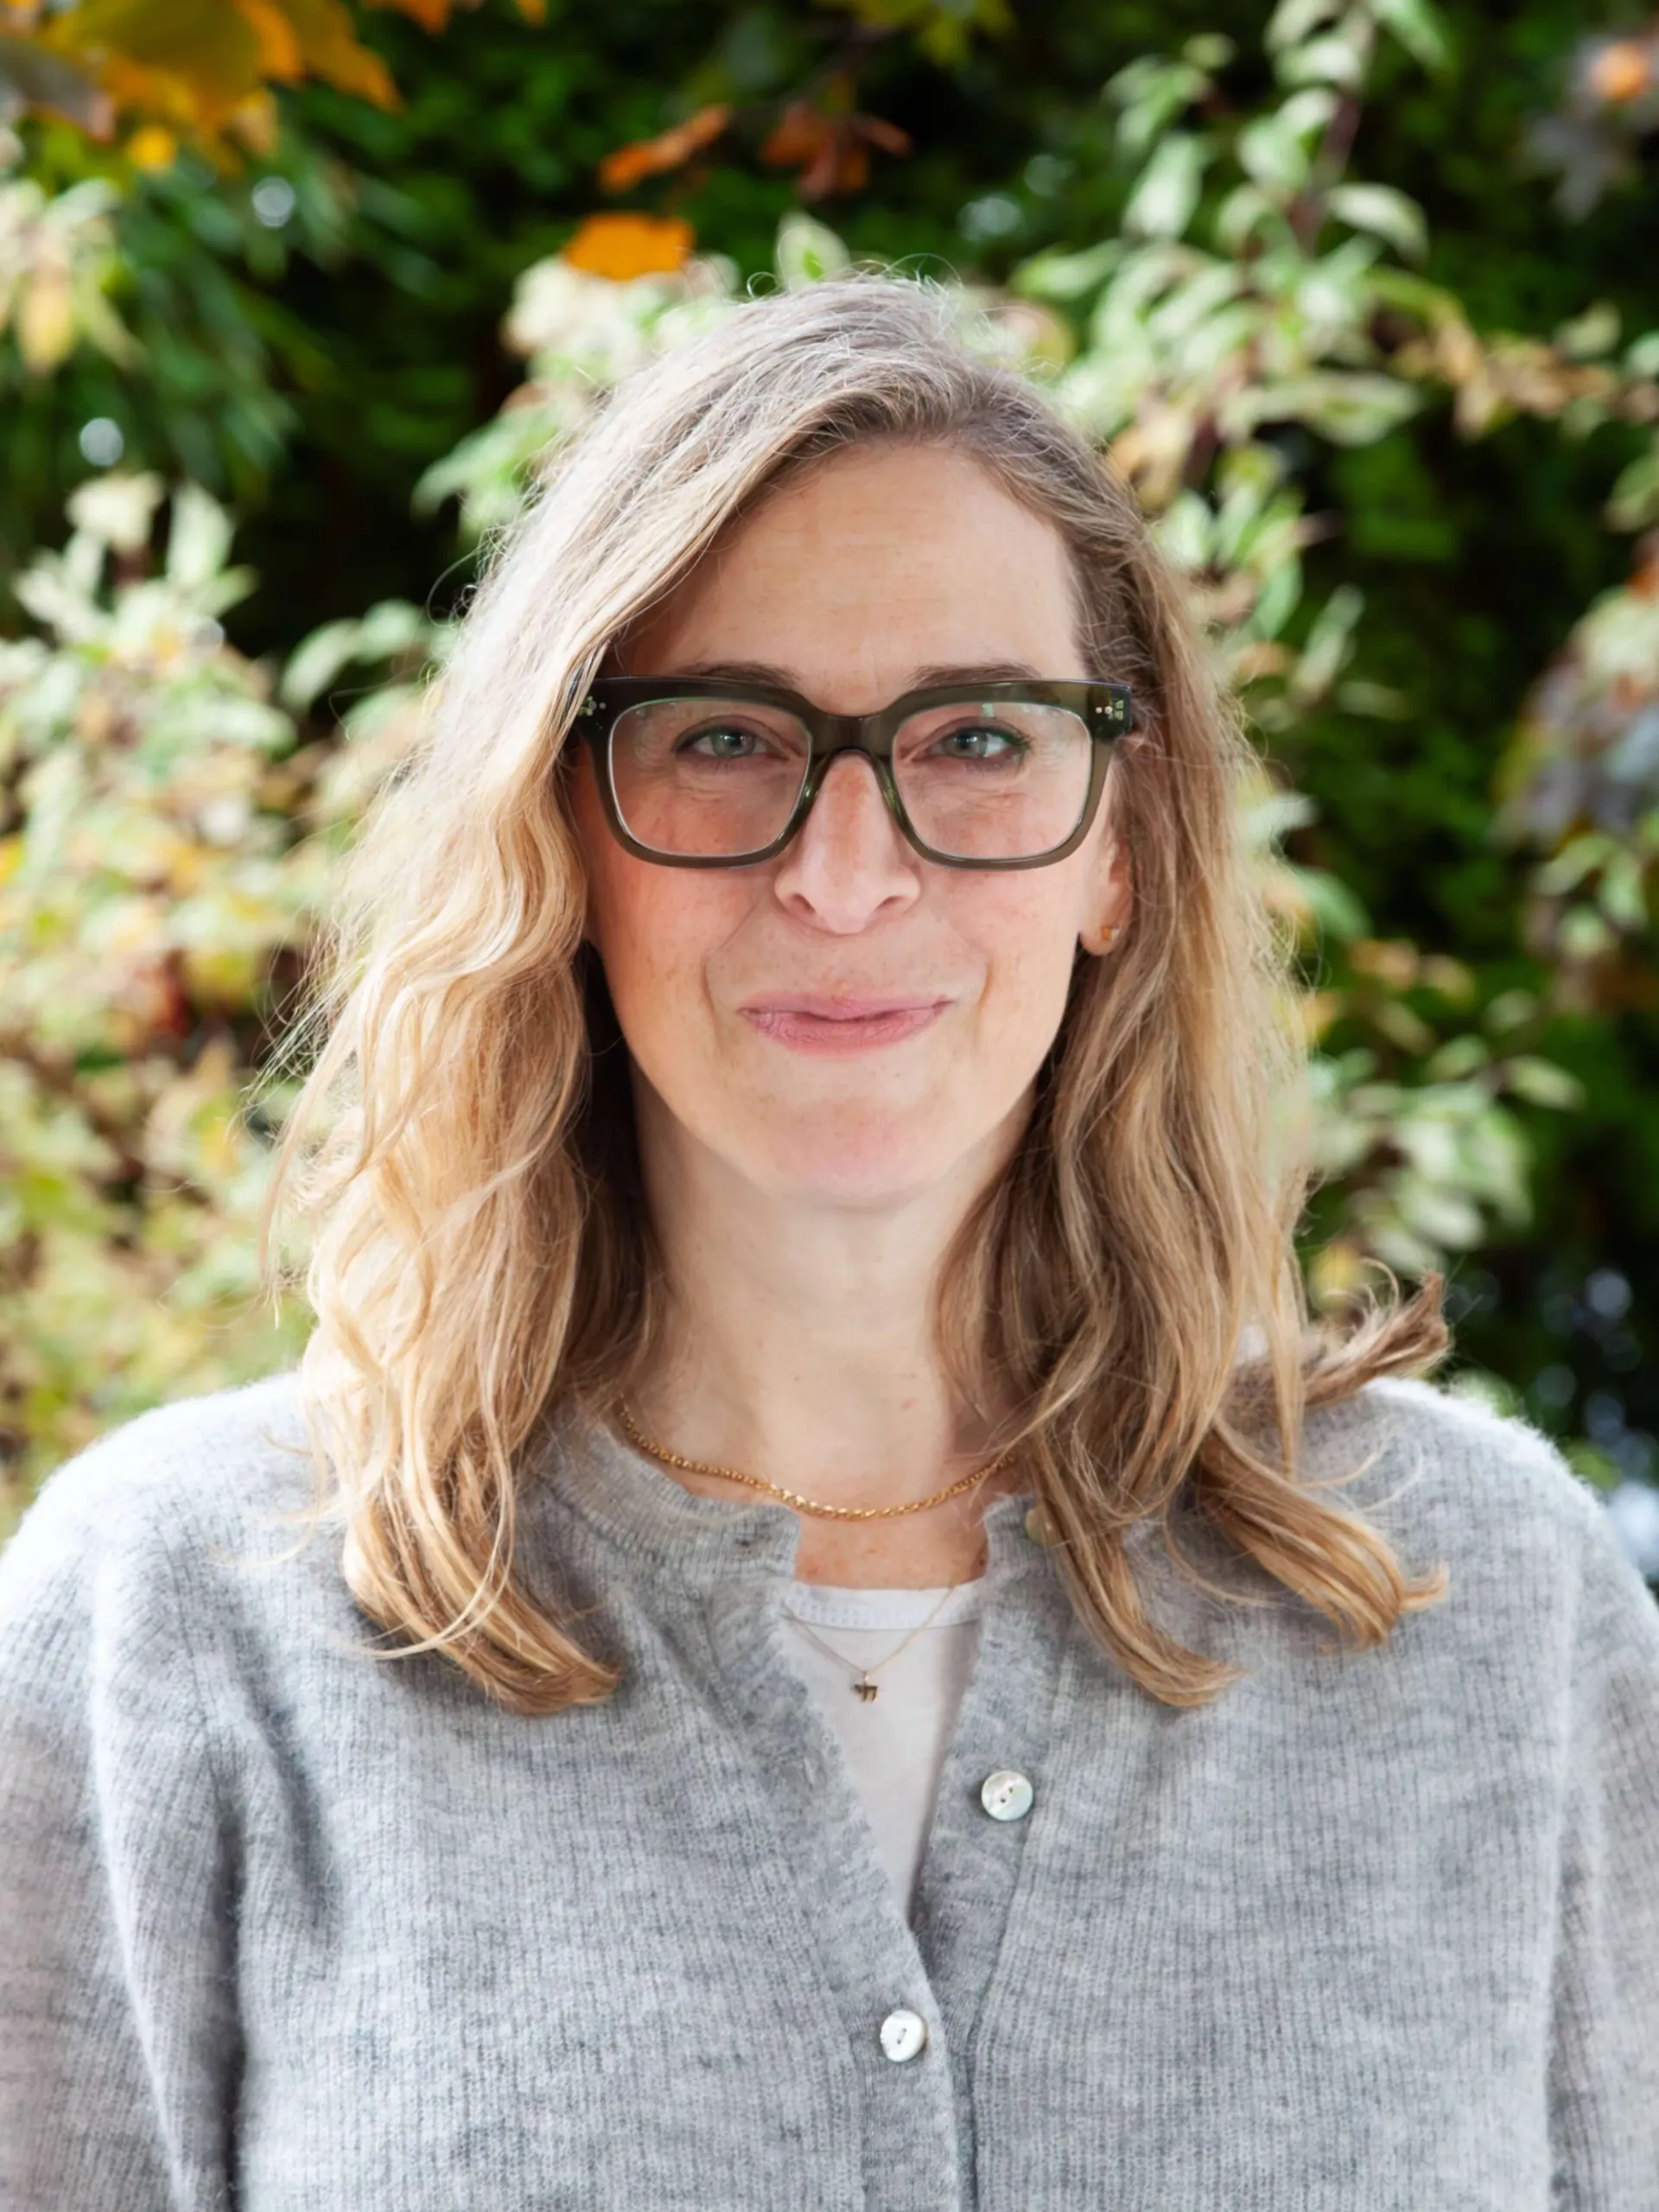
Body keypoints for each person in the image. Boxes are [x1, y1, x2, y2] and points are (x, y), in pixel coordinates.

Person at [1, 273, 1656, 2212]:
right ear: (564, 822)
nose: (845, 872)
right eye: (722, 736)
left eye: (974, 738)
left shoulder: (1494, 1610)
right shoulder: (182, 1617)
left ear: (1119, 840)